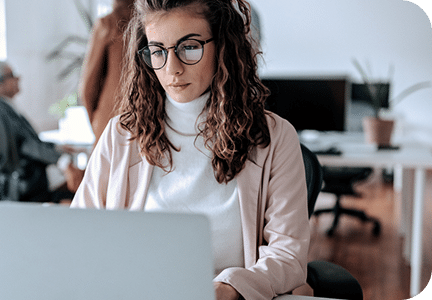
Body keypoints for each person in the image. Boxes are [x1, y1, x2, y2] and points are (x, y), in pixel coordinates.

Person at [70, 1, 310, 300]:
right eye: (157, 51)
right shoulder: (121, 136)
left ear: (222, 45)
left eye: (190, 47)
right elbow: (80, 239)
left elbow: (289, 256)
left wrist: (231, 286)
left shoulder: (274, 137)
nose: (172, 69)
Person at [0, 59, 84, 204]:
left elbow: (25, 141)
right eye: (12, 75)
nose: (18, 78)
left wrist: (56, 147)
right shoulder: (0, 114)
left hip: (24, 182)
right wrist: (63, 162)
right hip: (30, 187)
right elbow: (25, 145)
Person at [78, 0, 135, 145]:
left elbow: (88, 88)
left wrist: (98, 124)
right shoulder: (156, 20)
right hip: (149, 123)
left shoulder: (108, 23)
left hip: (112, 120)